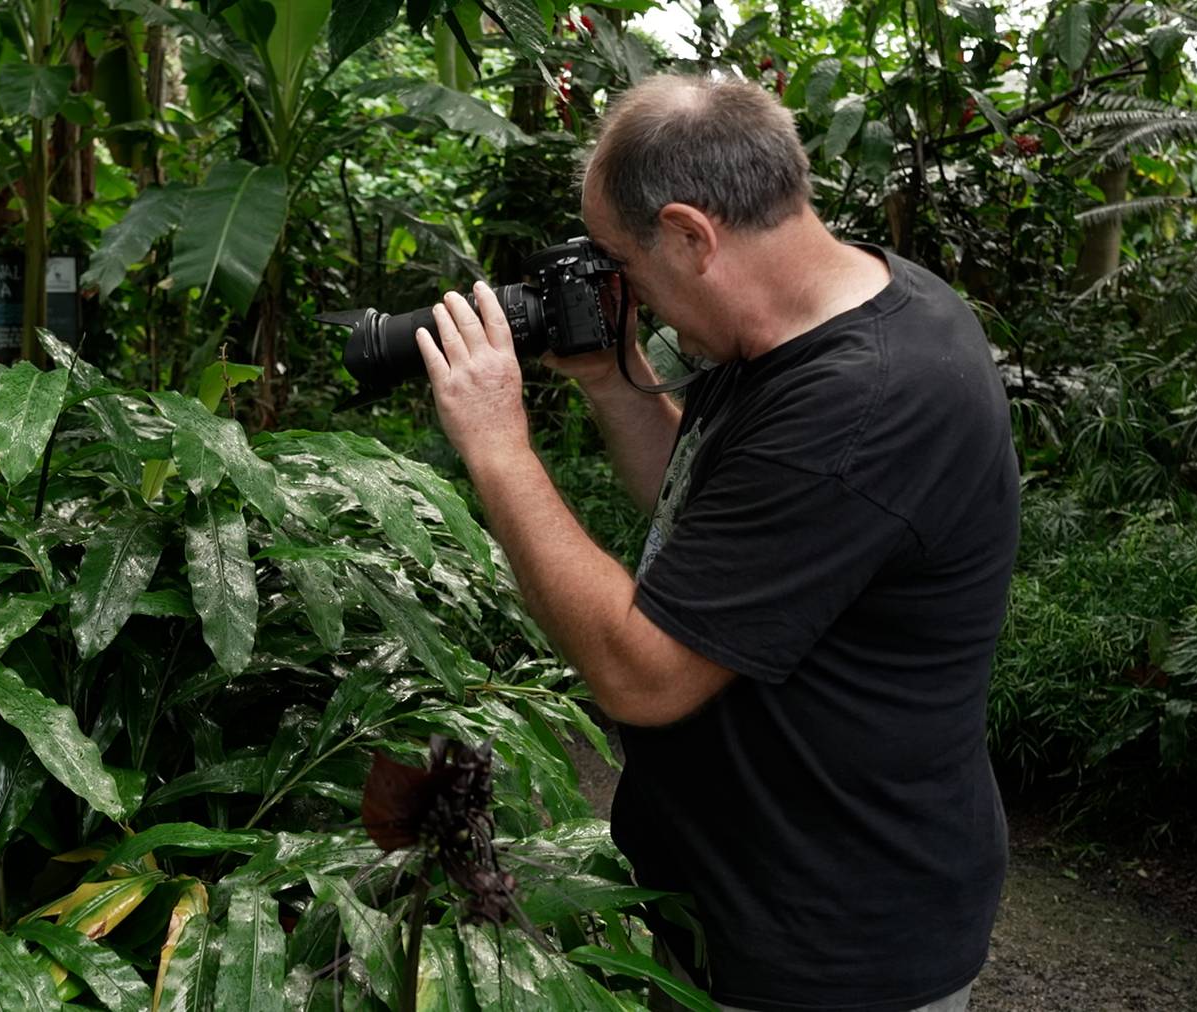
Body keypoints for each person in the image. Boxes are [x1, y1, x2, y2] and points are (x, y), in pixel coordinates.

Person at [412, 73, 1015, 1012]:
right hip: (736, 914)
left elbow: (644, 676)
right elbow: (720, 525)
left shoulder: (867, 403)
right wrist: (617, 382)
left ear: (693, 236)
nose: (620, 286)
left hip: (829, 951)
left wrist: (497, 448)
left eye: (622, 258)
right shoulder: (801, 320)